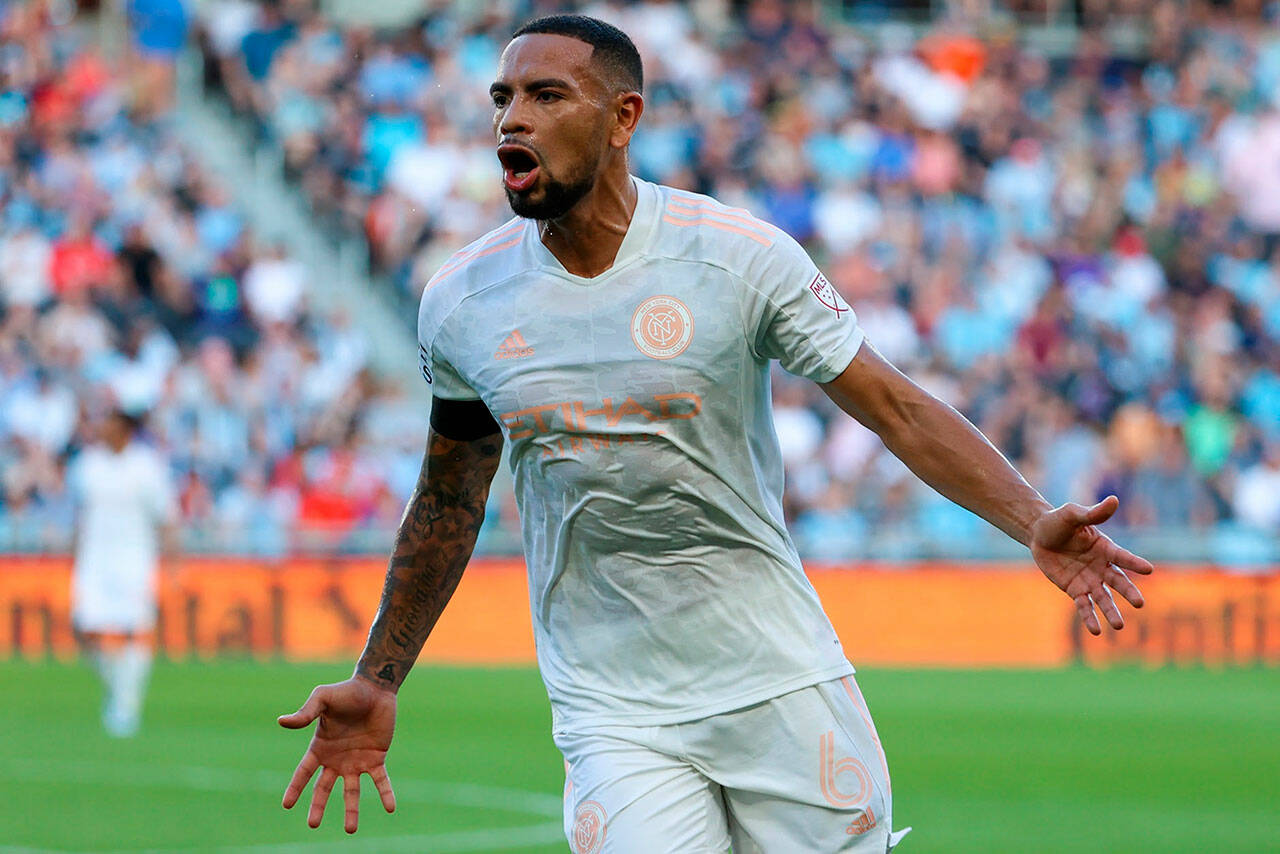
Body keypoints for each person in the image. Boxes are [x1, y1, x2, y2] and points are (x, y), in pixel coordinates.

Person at [279, 16, 1153, 851]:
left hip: (776, 676)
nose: (512, 118)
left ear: (624, 118)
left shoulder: (737, 257)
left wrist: (1029, 516)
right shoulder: (461, 303)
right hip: (612, 705)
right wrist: (378, 676)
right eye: (503, 98)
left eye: (546, 95)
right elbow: (446, 500)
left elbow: (895, 406)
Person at [70, 407, 177, 737]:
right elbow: (79, 515)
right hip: (94, 559)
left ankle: (126, 704)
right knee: (83, 629)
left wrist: (173, 563)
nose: (103, 427)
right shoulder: (87, 465)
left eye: (111, 422)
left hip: (134, 558)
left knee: (135, 629)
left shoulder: (146, 466)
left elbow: (166, 517)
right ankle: (117, 688)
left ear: (126, 429)